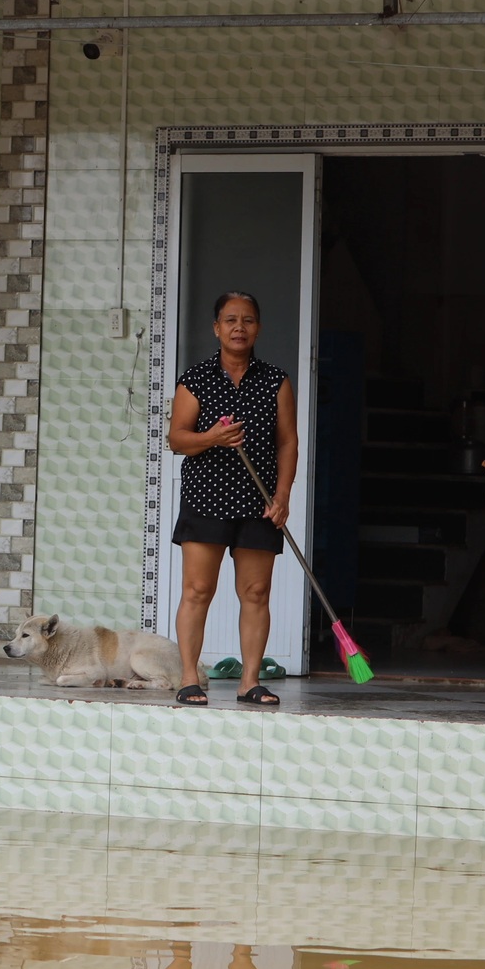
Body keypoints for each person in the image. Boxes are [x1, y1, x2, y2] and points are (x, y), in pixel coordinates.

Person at [166, 290, 298, 707]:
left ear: (258, 327)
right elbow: (177, 439)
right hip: (206, 497)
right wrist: (213, 437)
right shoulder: (197, 378)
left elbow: (288, 443)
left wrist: (282, 496)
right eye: (230, 320)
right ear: (216, 328)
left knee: (256, 592)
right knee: (198, 590)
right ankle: (190, 679)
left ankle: (250, 681)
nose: (239, 327)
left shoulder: (275, 380)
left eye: (247, 320)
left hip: (258, 502)